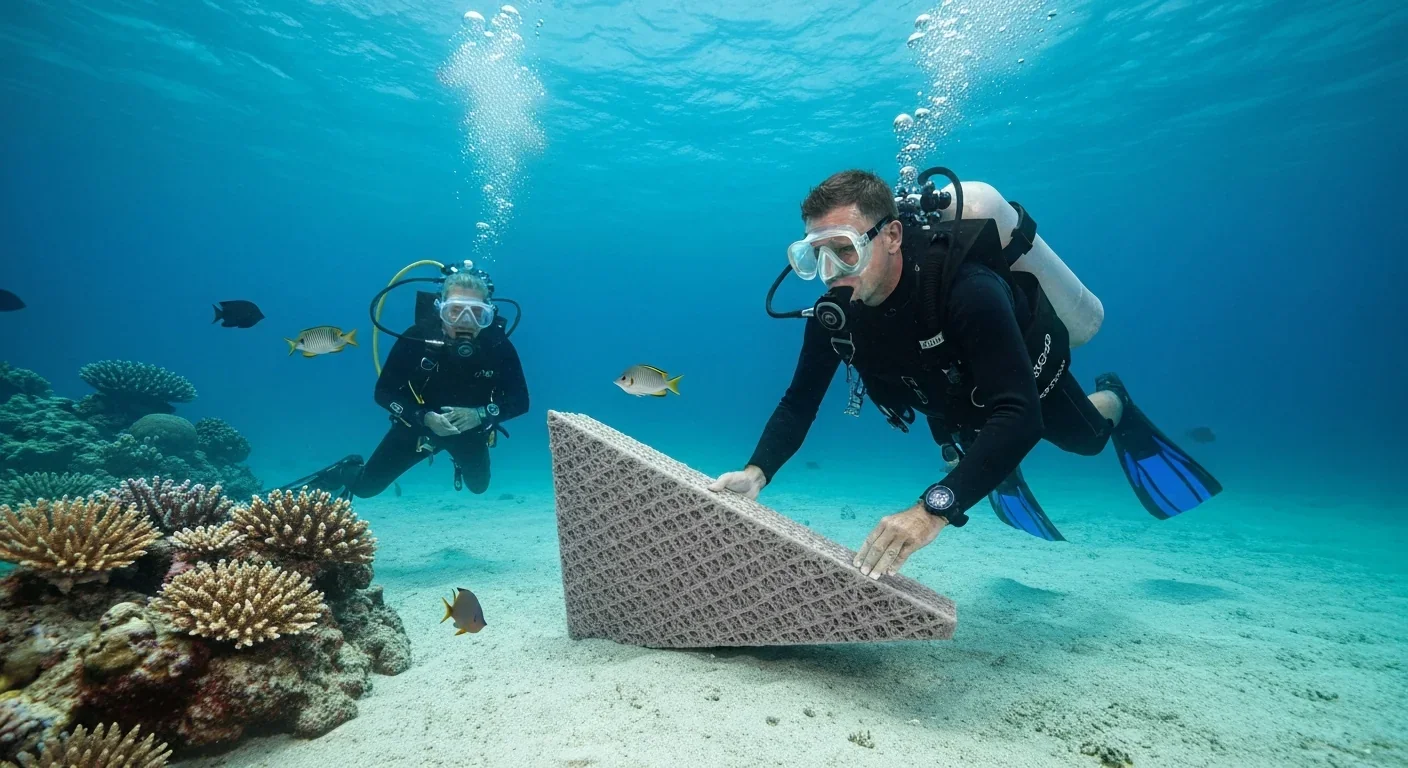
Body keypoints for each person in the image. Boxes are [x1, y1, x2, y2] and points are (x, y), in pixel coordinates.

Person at [708, 169, 1220, 579]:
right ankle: (983, 458)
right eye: (815, 255)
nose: (832, 271)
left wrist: (933, 508)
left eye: (845, 249)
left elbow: (1020, 416)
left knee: (1083, 440)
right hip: (948, 397)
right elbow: (799, 402)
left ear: (890, 236)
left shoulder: (967, 289)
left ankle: (1114, 399)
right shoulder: (834, 317)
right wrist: (757, 472)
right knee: (970, 435)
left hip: (1023, 379)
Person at [287, 271, 529, 498]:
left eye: (477, 313)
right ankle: (343, 470)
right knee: (365, 489)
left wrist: (479, 414)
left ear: (489, 315)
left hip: (471, 431)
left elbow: (521, 401)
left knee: (479, 487)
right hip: (417, 427)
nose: (466, 321)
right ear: (439, 310)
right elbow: (383, 393)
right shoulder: (416, 338)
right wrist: (424, 418)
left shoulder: (498, 346)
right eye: (455, 311)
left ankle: (457, 456)